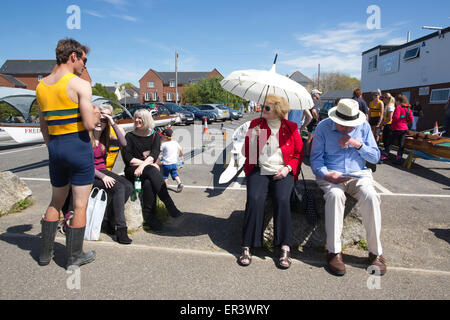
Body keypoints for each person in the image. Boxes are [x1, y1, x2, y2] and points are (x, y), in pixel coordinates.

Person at [36, 38, 100, 269]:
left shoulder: (41, 86)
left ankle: (44, 255)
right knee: (80, 205)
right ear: (73, 56)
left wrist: (52, 145)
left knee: (56, 200)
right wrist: (96, 115)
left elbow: (43, 126)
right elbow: (89, 124)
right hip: (78, 146)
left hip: (56, 147)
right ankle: (74, 257)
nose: (85, 64)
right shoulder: (80, 84)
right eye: (84, 59)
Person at [310, 99, 386, 277]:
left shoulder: (364, 126)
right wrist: (327, 175)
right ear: (335, 119)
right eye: (343, 125)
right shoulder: (323, 127)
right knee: (335, 195)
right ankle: (334, 252)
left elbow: (375, 157)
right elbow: (315, 159)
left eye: (351, 125)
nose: (347, 128)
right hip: (331, 172)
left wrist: (356, 143)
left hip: (358, 173)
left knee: (371, 196)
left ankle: (375, 253)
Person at [239, 94, 304, 269]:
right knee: (255, 199)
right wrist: (252, 140)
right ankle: (247, 244)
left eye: (267, 107)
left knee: (283, 200)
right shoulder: (256, 125)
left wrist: (287, 169)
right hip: (259, 169)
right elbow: (247, 153)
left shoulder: (291, 127)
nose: (263, 110)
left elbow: (298, 154)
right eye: (263, 106)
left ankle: (284, 246)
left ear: (277, 110)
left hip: (282, 170)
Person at [122, 109, 182, 231]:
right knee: (152, 170)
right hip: (132, 170)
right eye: (136, 118)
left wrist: (143, 166)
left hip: (147, 169)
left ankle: (149, 217)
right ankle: (170, 206)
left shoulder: (154, 135)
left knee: (149, 182)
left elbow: (154, 154)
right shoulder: (129, 136)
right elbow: (128, 158)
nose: (137, 120)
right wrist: (146, 165)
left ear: (147, 120)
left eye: (140, 118)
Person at [91, 103, 133, 244]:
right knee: (119, 187)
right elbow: (83, 164)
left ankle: (109, 220)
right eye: (98, 118)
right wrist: (103, 176)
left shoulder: (105, 137)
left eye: (104, 120)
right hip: (88, 173)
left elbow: (124, 143)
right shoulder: (86, 137)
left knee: (128, 186)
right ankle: (121, 229)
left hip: (102, 170)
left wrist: (112, 122)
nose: (100, 122)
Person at [386, 94, 413, 165]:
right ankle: (399, 158)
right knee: (401, 144)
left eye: (396, 101)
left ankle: (385, 155)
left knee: (389, 142)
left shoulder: (399, 107)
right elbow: (410, 119)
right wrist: (404, 120)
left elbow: (396, 117)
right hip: (404, 128)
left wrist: (393, 122)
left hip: (397, 128)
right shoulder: (408, 108)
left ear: (398, 101)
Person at [160, 128, 184, 192]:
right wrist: (181, 156)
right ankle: (179, 183)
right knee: (175, 174)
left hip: (166, 164)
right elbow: (181, 149)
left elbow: (159, 151)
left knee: (165, 176)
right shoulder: (175, 142)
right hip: (174, 163)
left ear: (164, 136)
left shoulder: (163, 144)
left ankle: (164, 187)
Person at [380, 93, 395, 161]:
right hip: (387, 125)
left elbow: (390, 118)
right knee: (385, 139)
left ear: (388, 99)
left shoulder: (390, 106)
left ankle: (386, 154)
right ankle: (385, 152)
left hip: (390, 125)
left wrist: (382, 123)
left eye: (384, 98)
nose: (383, 99)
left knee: (387, 140)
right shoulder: (388, 106)